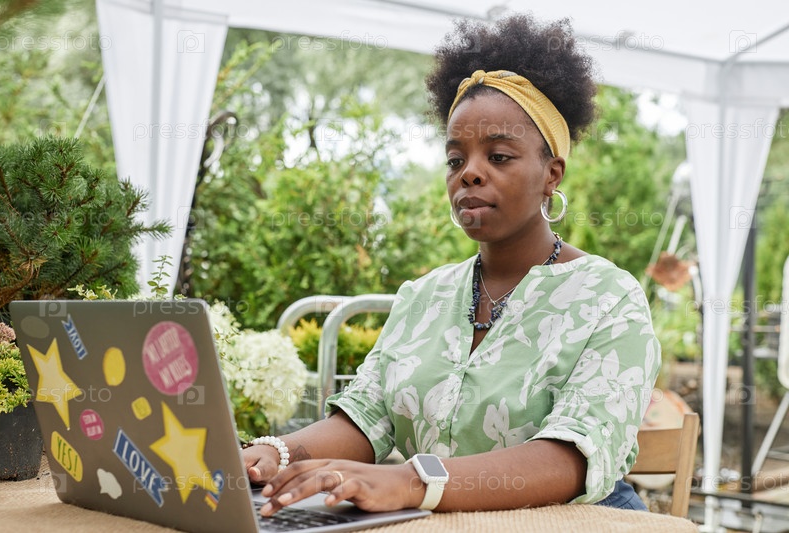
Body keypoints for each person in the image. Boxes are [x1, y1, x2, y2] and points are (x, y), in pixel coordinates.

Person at [245, 13, 661, 516]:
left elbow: (570, 460)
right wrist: (276, 453)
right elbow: (366, 417)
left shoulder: (609, 298)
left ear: (552, 173)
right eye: (455, 159)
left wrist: (410, 481)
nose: (470, 174)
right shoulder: (423, 297)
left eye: (499, 156)